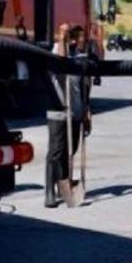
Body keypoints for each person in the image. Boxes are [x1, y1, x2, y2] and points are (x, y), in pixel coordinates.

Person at [45, 24, 92, 208]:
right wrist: (61, 36)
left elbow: (85, 86)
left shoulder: (80, 58)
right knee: (56, 152)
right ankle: (49, 191)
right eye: (78, 38)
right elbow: (60, 64)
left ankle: (63, 185)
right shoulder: (58, 50)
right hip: (58, 111)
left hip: (76, 112)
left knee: (69, 152)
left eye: (83, 39)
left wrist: (87, 111)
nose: (81, 42)